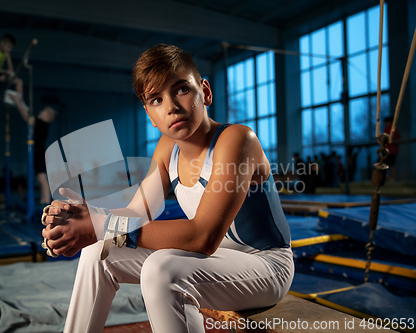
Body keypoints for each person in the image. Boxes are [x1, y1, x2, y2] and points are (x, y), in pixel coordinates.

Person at [42, 44, 293, 333]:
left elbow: (203, 237)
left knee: (161, 269)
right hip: (212, 262)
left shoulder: (237, 139)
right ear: (150, 114)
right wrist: (84, 218)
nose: (171, 106)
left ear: (205, 92)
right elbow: (137, 212)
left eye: (181, 90)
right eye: (156, 100)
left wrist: (103, 224)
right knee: (100, 249)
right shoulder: (166, 150)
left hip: (266, 266)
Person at [8, 93, 57, 205]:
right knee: (41, 178)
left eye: (43, 111)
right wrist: (20, 101)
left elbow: (27, 116)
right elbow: (27, 113)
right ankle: (44, 200)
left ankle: (45, 201)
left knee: (42, 178)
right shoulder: (41, 123)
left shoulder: (43, 123)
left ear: (48, 116)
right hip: (39, 152)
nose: (40, 112)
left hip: (40, 153)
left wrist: (17, 101)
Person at [383, 116, 401, 180]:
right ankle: (390, 178)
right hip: (390, 150)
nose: (385, 124)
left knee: (389, 165)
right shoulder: (392, 130)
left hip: (390, 151)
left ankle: (391, 178)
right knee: (389, 165)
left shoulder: (392, 130)